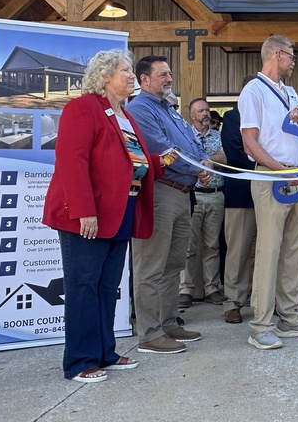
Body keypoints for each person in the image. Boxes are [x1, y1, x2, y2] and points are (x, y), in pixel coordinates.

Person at [44, 50, 167, 382]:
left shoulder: (124, 115)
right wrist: (84, 211)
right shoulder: (82, 109)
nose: (131, 75)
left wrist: (161, 161)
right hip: (87, 215)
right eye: (125, 70)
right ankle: (81, 361)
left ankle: (104, 353)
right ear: (104, 77)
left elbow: (129, 162)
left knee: (107, 286)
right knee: (84, 285)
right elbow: (72, 162)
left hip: (121, 211)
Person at [239, 35, 298, 350]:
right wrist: (280, 169)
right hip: (271, 176)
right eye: (291, 56)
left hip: (297, 176)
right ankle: (261, 325)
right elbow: (250, 142)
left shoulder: (289, 92)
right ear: (277, 54)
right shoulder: (253, 90)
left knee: (293, 250)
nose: (293, 61)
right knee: (269, 250)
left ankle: (291, 317)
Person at [126, 56, 212, 354]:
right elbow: (162, 149)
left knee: (174, 262)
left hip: (182, 192)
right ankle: (149, 333)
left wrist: (201, 162)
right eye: (162, 75)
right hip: (159, 192)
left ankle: (168, 322)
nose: (169, 79)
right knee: (150, 265)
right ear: (144, 80)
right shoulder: (139, 109)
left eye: (170, 74)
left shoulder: (170, 110)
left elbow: (193, 144)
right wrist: (196, 168)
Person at [178, 98, 226, 309]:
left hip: (216, 194)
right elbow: (183, 158)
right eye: (201, 111)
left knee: (212, 246)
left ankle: (212, 288)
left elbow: (226, 157)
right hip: (194, 195)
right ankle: (185, 289)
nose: (205, 114)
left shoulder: (219, 135)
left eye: (207, 110)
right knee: (189, 247)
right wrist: (207, 159)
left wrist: (206, 159)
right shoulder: (185, 136)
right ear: (192, 115)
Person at [220, 76, 258, 324]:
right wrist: (267, 162)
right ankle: (232, 302)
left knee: (262, 251)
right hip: (241, 194)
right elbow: (235, 153)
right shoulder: (233, 117)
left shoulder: (268, 116)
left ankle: (260, 300)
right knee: (238, 252)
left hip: (268, 193)